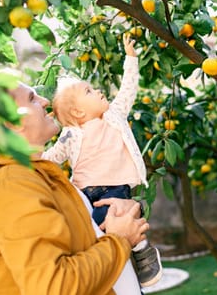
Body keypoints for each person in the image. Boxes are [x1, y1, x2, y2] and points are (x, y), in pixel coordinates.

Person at [0, 80, 148, 294]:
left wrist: (124, 209)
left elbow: (88, 237)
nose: (45, 101)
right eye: (32, 99)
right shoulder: (11, 186)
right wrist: (120, 241)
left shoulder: (38, 176)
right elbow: (54, 287)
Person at [42, 34, 163, 287]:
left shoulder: (114, 116)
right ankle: (104, 274)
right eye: (89, 91)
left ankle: (143, 255)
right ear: (78, 111)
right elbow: (49, 160)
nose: (97, 90)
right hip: (86, 194)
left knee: (124, 218)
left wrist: (131, 59)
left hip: (118, 188)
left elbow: (128, 91)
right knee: (95, 233)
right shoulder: (71, 135)